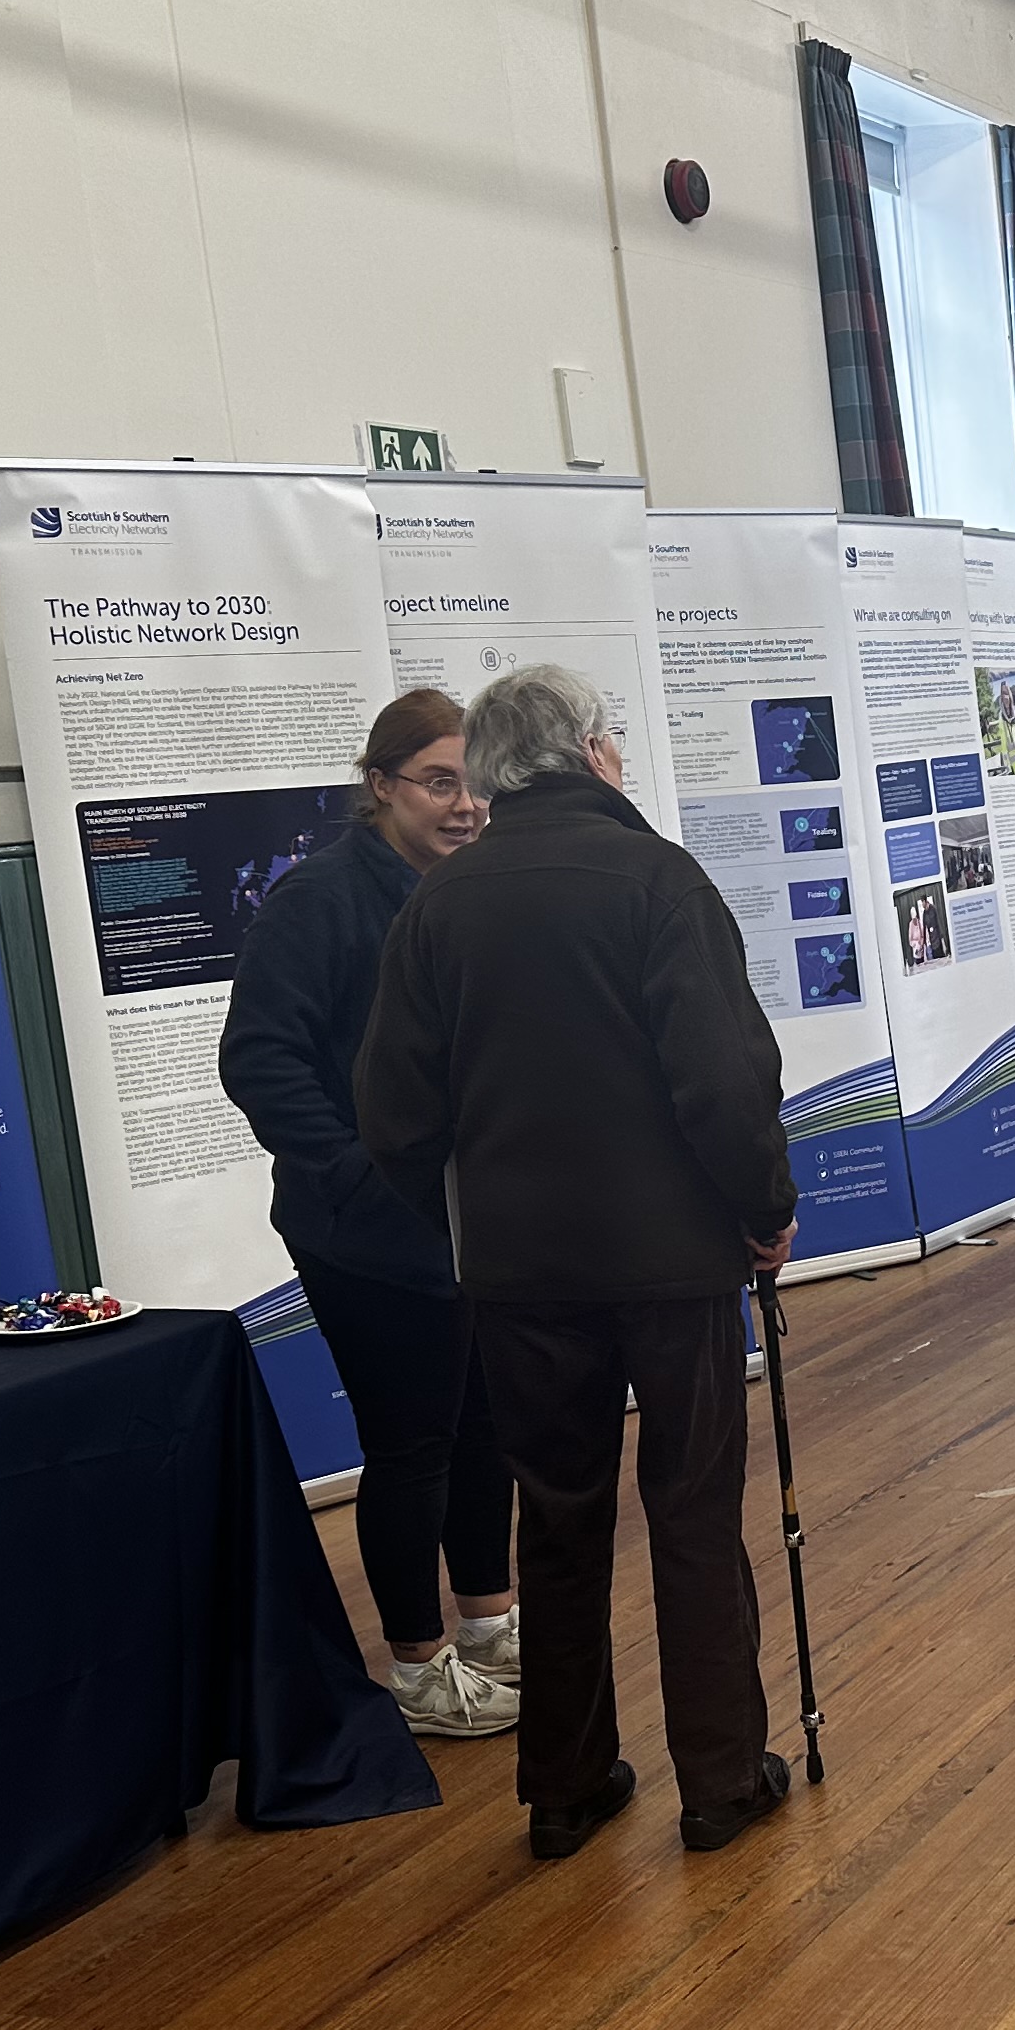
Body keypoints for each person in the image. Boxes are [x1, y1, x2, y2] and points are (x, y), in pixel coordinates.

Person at [355, 666, 805, 1857]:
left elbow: (392, 1116)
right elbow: (724, 1082)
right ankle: (718, 1780)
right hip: (675, 1267)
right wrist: (764, 1209)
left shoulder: (440, 908)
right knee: (694, 1513)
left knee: (554, 1522)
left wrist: (475, 1211)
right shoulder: (659, 879)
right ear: (598, 756)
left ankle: (562, 1783)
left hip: (519, 1277)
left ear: (496, 774)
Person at [216, 688, 519, 1737]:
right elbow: (259, 1057)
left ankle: (488, 1622)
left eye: (476, 780)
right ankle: (419, 1664)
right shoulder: (323, 898)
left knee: (485, 1427)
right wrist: (354, 1174)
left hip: (469, 1220)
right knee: (410, 1446)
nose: (465, 803)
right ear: (381, 785)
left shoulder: (478, 887)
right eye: (440, 781)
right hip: (364, 1234)